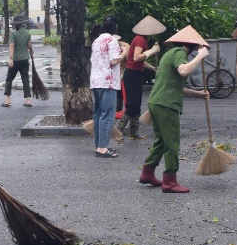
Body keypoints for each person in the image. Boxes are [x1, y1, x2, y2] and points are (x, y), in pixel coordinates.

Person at [138, 25, 210, 193]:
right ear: (190, 44)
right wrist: (200, 56)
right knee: (172, 143)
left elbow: (173, 85)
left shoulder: (168, 54)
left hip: (157, 101)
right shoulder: (180, 53)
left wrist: (198, 94)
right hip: (166, 104)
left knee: (162, 141)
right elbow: (184, 71)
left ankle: (147, 174)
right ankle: (170, 181)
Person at [116, 14, 164, 140]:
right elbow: (137, 57)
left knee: (136, 104)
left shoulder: (140, 39)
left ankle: (134, 131)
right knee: (132, 105)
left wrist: (153, 68)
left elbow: (138, 61)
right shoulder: (140, 40)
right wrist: (152, 51)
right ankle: (118, 129)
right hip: (131, 75)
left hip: (135, 73)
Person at [90, 15, 124, 157]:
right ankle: (103, 148)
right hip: (108, 82)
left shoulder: (96, 41)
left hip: (95, 82)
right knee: (108, 114)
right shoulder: (112, 41)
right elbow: (114, 61)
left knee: (98, 114)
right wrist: (125, 52)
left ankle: (99, 145)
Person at [1, 14, 33, 107]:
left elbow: (12, 45)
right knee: (25, 79)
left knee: (9, 79)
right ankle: (28, 100)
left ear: (14, 24)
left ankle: (7, 100)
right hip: (25, 59)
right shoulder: (27, 33)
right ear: (23, 23)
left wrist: (10, 59)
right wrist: (30, 50)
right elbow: (29, 46)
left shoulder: (13, 33)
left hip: (15, 60)